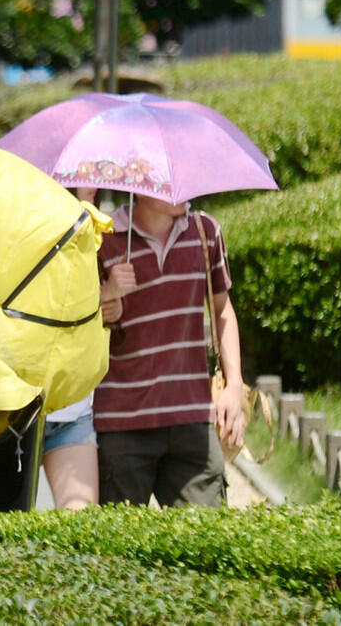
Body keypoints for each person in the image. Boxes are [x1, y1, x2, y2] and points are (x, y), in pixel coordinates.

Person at [93, 195, 246, 507]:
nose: (181, 189)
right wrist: (105, 300)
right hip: (122, 424)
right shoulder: (102, 239)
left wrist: (234, 385)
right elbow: (75, 319)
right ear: (138, 184)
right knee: (118, 550)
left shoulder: (205, 232)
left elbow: (222, 309)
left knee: (208, 543)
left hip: (193, 420)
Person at [41, 187, 135, 510]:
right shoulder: (34, 229)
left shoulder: (95, 233)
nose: (92, 186)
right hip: (16, 413)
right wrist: (104, 293)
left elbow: (94, 326)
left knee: (80, 524)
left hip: (72, 414)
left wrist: (113, 310)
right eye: (84, 180)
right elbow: (43, 311)